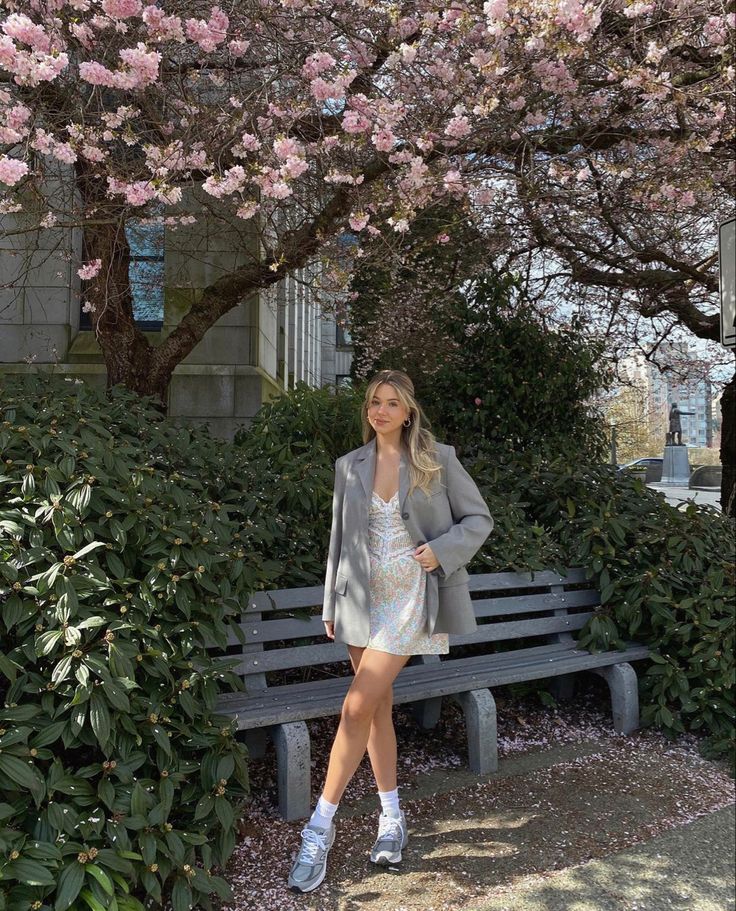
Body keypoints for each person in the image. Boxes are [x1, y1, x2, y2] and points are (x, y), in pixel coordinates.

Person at [287, 368, 493, 893]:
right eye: (374, 402)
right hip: (359, 601)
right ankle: (392, 816)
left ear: (408, 411)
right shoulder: (348, 466)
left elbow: (478, 519)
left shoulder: (436, 458)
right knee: (375, 709)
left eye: (391, 403)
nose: (381, 411)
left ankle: (320, 827)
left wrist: (441, 552)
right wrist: (330, 598)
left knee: (355, 707)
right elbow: (338, 537)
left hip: (410, 598)